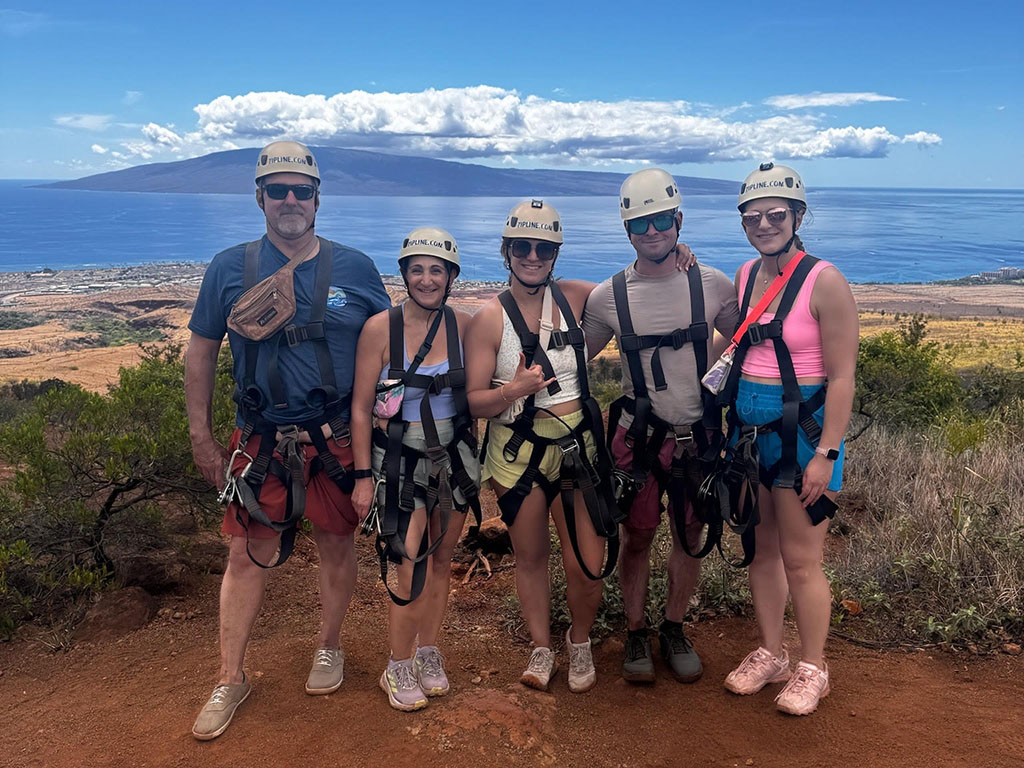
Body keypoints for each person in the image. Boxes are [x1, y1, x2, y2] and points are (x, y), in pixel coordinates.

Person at [185, 140, 390, 740]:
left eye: (302, 190)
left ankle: (329, 646)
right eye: (279, 190)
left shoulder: (355, 268)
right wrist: (201, 436)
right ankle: (230, 676)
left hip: (334, 436)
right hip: (260, 439)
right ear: (260, 198)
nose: (291, 200)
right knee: (245, 557)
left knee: (335, 545)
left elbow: (392, 339)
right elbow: (201, 351)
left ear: (318, 199)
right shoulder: (228, 267)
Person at [582, 168, 740, 685]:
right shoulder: (608, 297)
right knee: (637, 536)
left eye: (661, 220)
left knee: (690, 533)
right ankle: (634, 630)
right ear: (626, 231)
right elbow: (573, 355)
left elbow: (751, 340)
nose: (652, 232)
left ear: (678, 219)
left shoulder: (712, 284)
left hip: (698, 435)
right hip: (640, 435)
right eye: (639, 224)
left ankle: (673, 627)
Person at [465, 199, 622, 695]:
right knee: (531, 557)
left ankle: (579, 640)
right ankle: (541, 646)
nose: (533, 256)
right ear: (506, 252)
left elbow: (636, 292)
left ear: (555, 253)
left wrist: (677, 254)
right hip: (518, 455)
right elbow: (475, 401)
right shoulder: (490, 319)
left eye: (543, 248)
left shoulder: (576, 297)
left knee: (587, 562)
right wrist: (512, 391)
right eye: (523, 247)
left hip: (577, 450)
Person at [719, 162, 857, 715]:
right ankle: (771, 653)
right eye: (753, 216)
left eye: (776, 214)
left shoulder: (826, 281)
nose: (764, 224)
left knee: (802, 559)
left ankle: (813, 667)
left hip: (804, 441)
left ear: (798, 216)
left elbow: (844, 375)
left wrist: (826, 454)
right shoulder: (746, 275)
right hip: (752, 438)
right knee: (762, 551)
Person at [350, 227, 481, 712]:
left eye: (437, 270)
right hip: (401, 464)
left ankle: (428, 651)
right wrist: (363, 478)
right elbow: (361, 408)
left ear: (451, 277)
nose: (427, 279)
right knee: (409, 564)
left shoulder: (465, 326)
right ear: (404, 274)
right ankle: (398, 663)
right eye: (417, 269)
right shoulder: (380, 330)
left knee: (443, 559)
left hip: (454, 461)